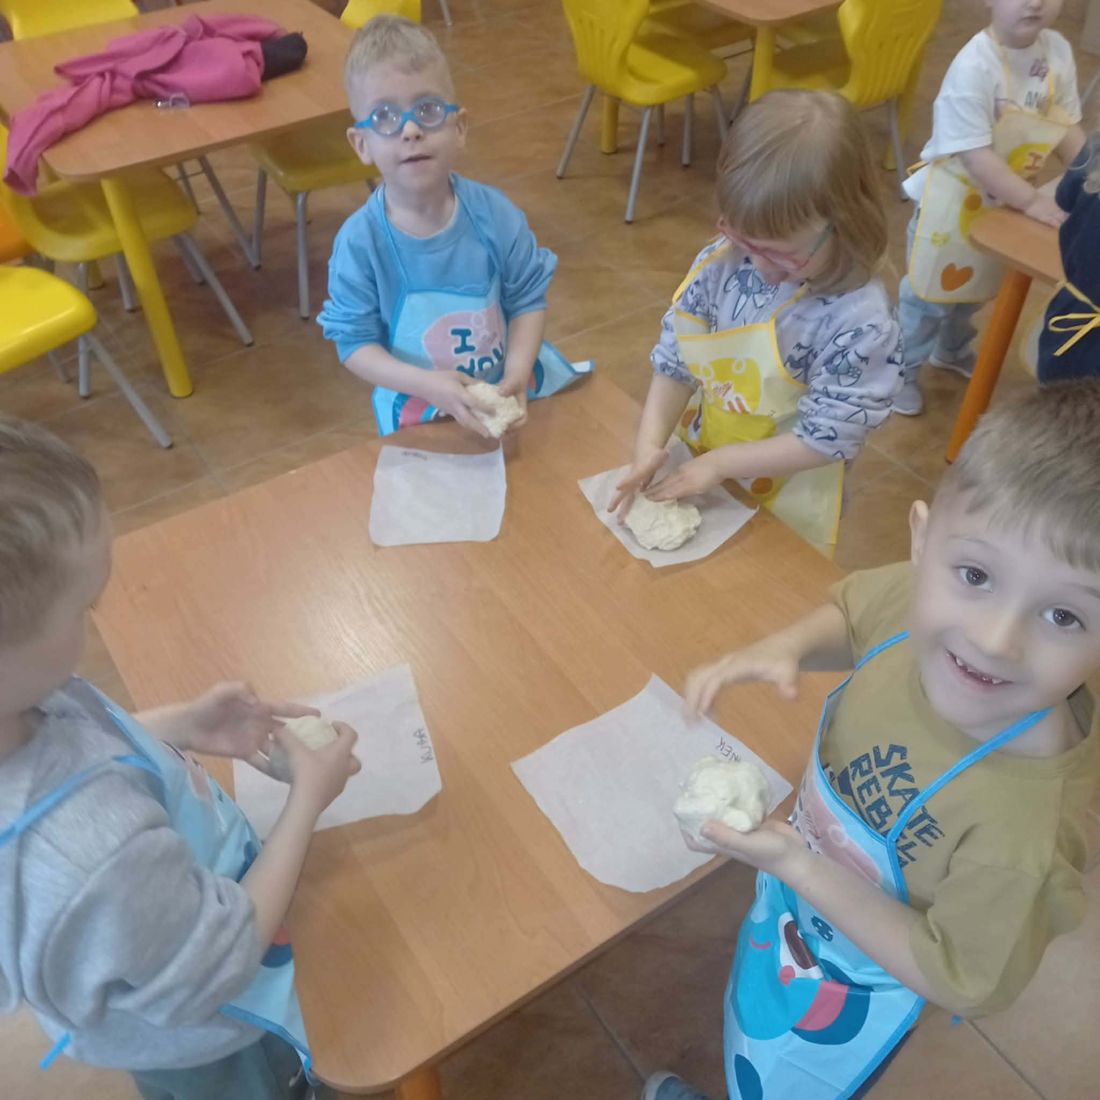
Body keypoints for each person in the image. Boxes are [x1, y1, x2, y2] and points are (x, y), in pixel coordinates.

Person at [645, 381, 1100, 1100]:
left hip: (864, 986)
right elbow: (860, 615)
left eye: (1065, 617)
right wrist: (788, 647)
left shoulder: (1023, 842)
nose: (995, 640)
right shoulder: (918, 600)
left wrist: (800, 866)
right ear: (922, 542)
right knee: (754, 1035)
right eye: (976, 575)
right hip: (797, 909)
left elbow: (957, 976)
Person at [0, 417, 361, 1100]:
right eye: (84, 608)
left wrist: (183, 725)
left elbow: (73, 745)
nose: (96, 617)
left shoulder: (19, 700)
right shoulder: (92, 858)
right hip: (219, 1035)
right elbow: (224, 957)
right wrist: (307, 800)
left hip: (157, 947)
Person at [609, 89, 902, 559]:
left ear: (845, 223)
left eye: (784, 255)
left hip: (789, 496)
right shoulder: (722, 264)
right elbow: (676, 361)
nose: (761, 268)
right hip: (706, 461)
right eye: (745, 242)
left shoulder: (860, 324)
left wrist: (722, 465)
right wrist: (650, 445)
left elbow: (829, 436)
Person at [318, 15, 589, 438]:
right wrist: (428, 385)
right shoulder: (360, 244)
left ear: (459, 128)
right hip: (417, 410)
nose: (410, 130)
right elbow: (355, 344)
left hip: (507, 389)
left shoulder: (496, 216)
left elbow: (527, 300)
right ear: (362, 144)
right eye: (385, 116)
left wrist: (517, 372)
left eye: (427, 110)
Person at [895, 0, 1085, 416]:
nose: (1035, 2)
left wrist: (1090, 174)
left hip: (1003, 201)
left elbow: (1066, 126)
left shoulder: (1056, 51)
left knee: (972, 291)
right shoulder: (973, 67)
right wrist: (1031, 201)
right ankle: (899, 372)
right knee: (927, 300)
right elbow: (976, 156)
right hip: (951, 206)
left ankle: (950, 349)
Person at [1037, 132, 1100, 381]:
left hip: (1070, 316)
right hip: (1078, 325)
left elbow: (1065, 198)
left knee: (1057, 396)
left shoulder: (1094, 151)